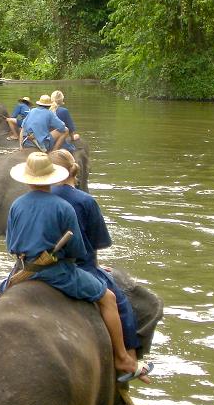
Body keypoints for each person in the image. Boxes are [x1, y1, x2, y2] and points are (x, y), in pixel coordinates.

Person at [0, 153, 150, 381]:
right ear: (51, 177)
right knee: (108, 298)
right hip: (57, 272)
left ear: (27, 179)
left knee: (1, 291)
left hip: (23, 272)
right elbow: (77, 250)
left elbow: (11, 245)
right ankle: (121, 356)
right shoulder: (63, 207)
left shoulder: (16, 205)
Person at [49, 149, 143, 354]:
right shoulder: (85, 201)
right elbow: (96, 242)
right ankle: (126, 358)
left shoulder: (37, 199)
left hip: (32, 267)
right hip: (78, 267)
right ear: (74, 171)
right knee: (121, 304)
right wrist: (95, 266)